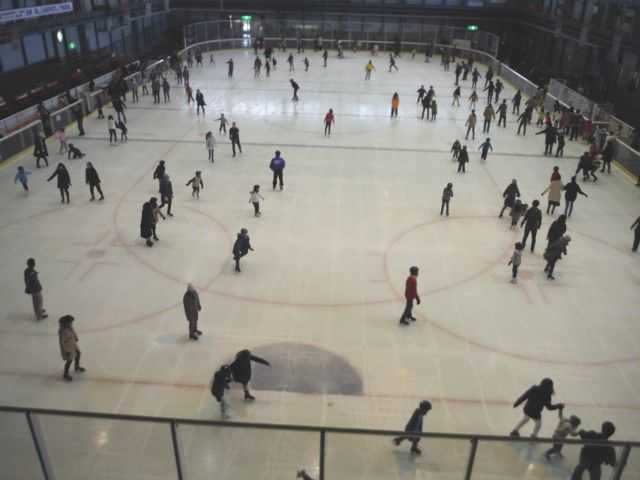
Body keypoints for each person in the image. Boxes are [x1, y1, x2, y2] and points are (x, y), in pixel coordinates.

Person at [58, 315, 85, 381]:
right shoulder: (63, 331)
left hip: (73, 344)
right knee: (69, 360)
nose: (71, 323)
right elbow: (63, 342)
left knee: (78, 354)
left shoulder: (69, 327)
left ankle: (76, 366)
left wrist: (76, 337)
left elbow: (73, 332)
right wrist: (67, 351)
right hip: (67, 348)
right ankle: (65, 373)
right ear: (66, 323)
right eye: (70, 322)